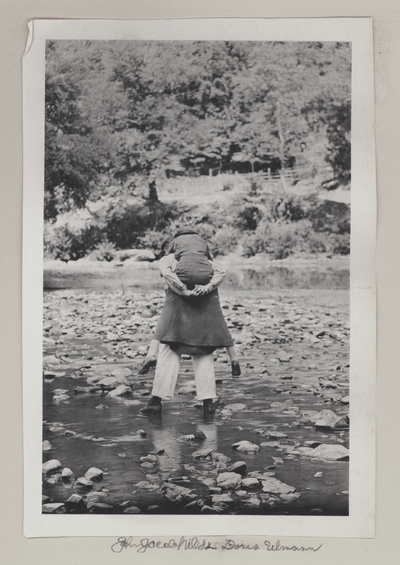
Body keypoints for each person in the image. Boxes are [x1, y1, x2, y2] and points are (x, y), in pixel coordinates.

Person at [139, 230, 239, 416]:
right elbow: (220, 273)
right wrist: (207, 287)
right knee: (204, 352)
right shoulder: (205, 261)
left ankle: (156, 401)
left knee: (168, 350)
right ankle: (208, 402)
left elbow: (169, 276)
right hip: (203, 310)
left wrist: (184, 290)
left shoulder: (170, 258)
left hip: (178, 311)